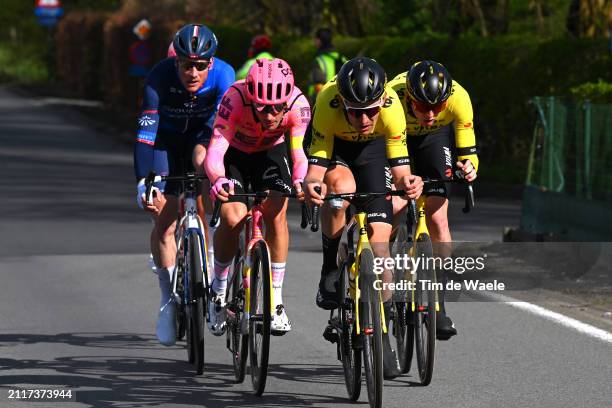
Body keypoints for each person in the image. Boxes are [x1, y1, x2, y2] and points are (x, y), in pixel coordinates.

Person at [303, 57, 423, 379]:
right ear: (343, 102)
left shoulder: (392, 107)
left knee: (380, 244)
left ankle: (382, 332)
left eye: (371, 110)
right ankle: (330, 267)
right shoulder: (327, 103)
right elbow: (315, 169)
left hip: (373, 152)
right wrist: (313, 185)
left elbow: (400, 171)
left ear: (381, 100)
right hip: (336, 150)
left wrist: (409, 184)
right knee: (339, 193)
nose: (365, 117)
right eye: (356, 112)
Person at [134, 23, 235, 346]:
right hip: (165, 141)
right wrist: (143, 181)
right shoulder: (159, 76)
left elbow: (225, 131)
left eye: (200, 65)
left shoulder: (224, 75)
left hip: (202, 137)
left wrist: (219, 179)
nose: (193, 72)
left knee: (204, 163)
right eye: (186, 64)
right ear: (175, 61)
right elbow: (146, 134)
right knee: (163, 215)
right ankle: (167, 300)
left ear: (211, 63)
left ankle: (205, 247)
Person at [204, 58, 310, 336]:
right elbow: (215, 151)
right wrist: (218, 179)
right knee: (232, 217)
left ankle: (275, 300)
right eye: (262, 106)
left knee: (276, 212)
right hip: (235, 154)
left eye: (277, 107)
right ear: (252, 97)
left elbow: (299, 153)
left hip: (270, 154)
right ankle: (219, 289)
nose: (270, 114)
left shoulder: (298, 105)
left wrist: (300, 180)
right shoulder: (235, 99)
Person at [388, 60, 478, 341]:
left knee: (438, 216)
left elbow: (467, 149)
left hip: (432, 141)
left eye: (437, 107)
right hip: (393, 137)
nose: (429, 113)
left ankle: (437, 301)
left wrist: (469, 167)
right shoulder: (391, 96)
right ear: (408, 98)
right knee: (393, 205)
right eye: (423, 106)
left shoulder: (459, 97)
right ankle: (382, 268)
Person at [307, 27, 347, 103]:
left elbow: (318, 85)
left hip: (325, 103)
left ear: (319, 41)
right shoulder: (342, 58)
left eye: (315, 39)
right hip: (344, 102)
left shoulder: (319, 60)